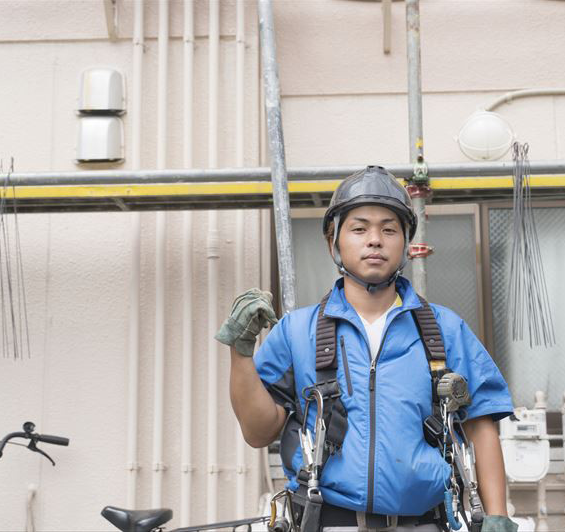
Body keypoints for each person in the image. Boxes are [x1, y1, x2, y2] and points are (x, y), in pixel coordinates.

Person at [217, 166, 517, 532]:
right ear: (334, 242)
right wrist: (241, 353)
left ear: (406, 243)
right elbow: (258, 432)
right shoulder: (297, 331)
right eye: (359, 228)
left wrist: (498, 514)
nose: (374, 240)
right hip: (325, 522)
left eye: (389, 229)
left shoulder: (443, 330)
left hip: (423, 523)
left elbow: (481, 423)